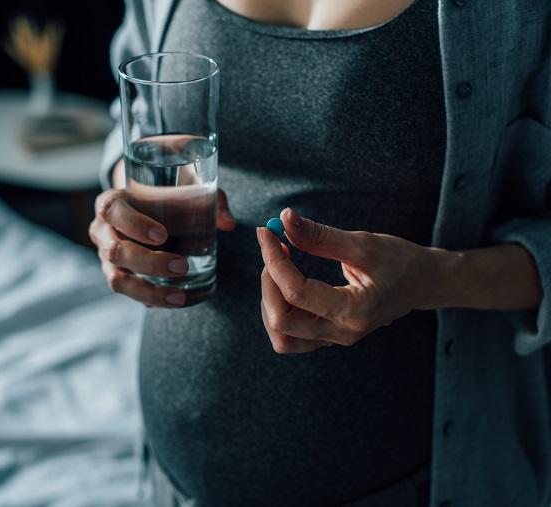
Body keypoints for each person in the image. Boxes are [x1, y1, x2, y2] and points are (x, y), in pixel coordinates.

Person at [89, 0, 551, 505]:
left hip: (404, 481)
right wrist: (125, 208)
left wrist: (431, 279)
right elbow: (132, 114)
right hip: (171, 477)